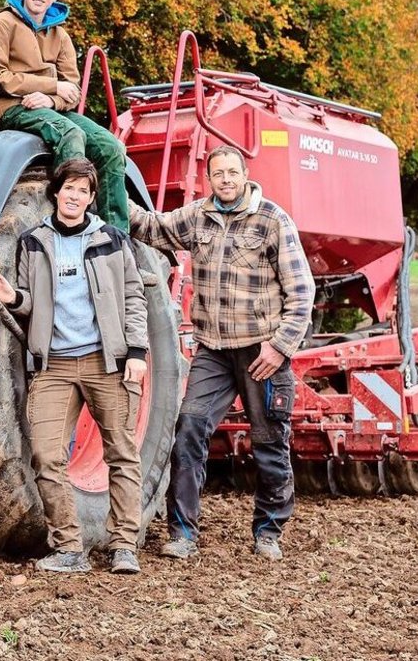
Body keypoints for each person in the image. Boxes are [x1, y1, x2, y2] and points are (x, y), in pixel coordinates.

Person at [130, 145, 315, 561]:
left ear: (245, 174)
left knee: (269, 441)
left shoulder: (272, 219)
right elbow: (151, 226)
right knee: (188, 431)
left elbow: (302, 292)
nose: (226, 180)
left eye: (233, 172)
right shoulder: (198, 216)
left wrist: (280, 347)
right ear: (208, 178)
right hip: (213, 350)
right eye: (218, 174)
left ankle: (268, 532)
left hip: (261, 351)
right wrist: (107, 183)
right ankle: (183, 534)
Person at [0, 158, 149, 575]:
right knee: (46, 457)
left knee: (122, 454)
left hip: (105, 362)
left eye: (83, 190)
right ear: (56, 192)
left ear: (91, 197)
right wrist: (13, 298)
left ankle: (123, 546)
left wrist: (137, 353)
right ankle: (69, 549)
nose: (75, 196)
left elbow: (134, 297)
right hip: (55, 365)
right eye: (69, 188)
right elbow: (33, 301)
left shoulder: (112, 240)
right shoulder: (33, 242)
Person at [0, 0, 129, 231]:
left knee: (111, 147)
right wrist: (50, 87)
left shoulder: (60, 36)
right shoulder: (2, 24)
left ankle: (116, 235)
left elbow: (72, 89)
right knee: (70, 134)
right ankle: (68, 223)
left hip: (51, 108)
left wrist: (51, 99)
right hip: (14, 107)